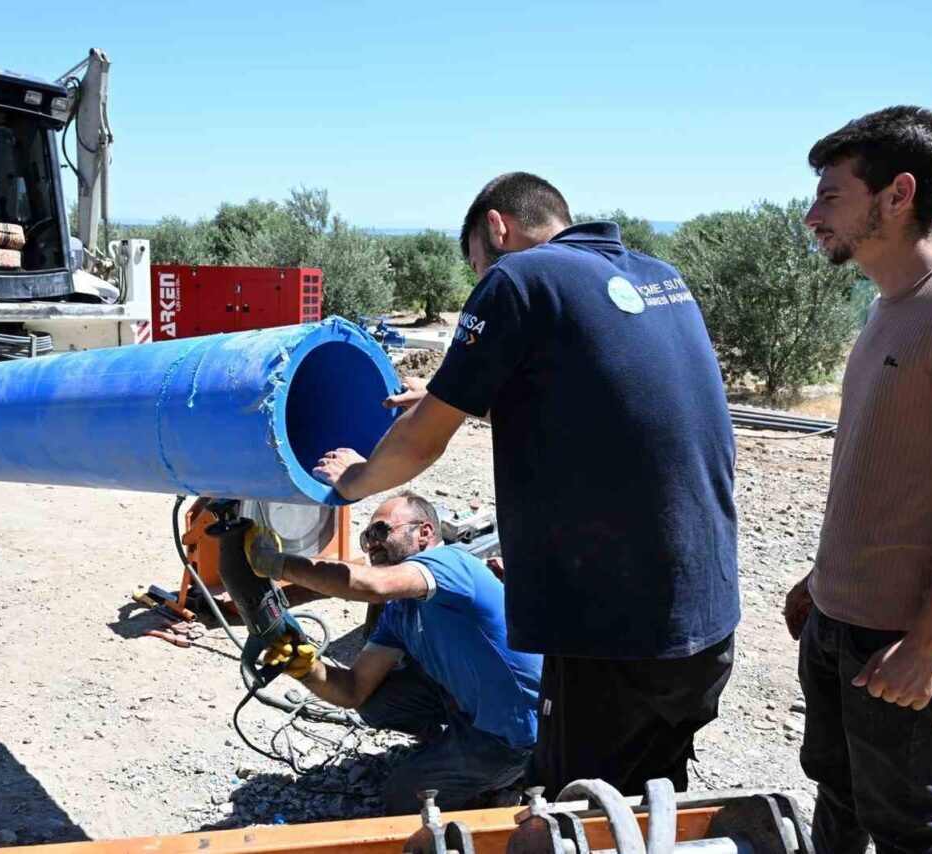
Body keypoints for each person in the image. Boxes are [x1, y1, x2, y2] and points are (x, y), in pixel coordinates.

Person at [312, 173, 739, 797]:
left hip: (612, 630)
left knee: (573, 808)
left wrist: (354, 480)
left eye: (476, 264)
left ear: (497, 226)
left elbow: (422, 442)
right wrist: (454, 394)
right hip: (704, 616)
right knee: (653, 800)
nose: (480, 276)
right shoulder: (658, 275)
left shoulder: (518, 277)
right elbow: (604, 399)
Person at [786, 106, 932, 853]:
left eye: (831, 196)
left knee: (903, 829)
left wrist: (928, 642)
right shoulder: (886, 306)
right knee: (837, 796)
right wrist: (822, 581)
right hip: (837, 620)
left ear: (898, 195)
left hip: (897, 638)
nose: (813, 215)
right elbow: (885, 465)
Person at [247, 491, 541, 815]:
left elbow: (372, 585)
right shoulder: (399, 611)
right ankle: (454, 750)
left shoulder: (450, 563)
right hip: (469, 701)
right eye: (366, 537)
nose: (371, 544)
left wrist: (276, 563)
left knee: (404, 798)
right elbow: (354, 689)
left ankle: (513, 775)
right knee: (374, 703)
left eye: (380, 531)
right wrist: (306, 668)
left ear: (425, 533)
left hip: (517, 731)